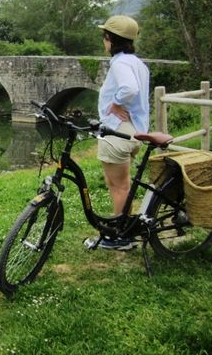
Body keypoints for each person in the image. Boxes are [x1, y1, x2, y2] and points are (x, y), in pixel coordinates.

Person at [95, 15, 150, 251]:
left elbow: (129, 89)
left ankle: (119, 235)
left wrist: (116, 103)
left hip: (118, 131)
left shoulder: (119, 63)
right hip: (134, 131)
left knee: (118, 186)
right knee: (121, 184)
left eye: (104, 37)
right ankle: (122, 224)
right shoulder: (137, 63)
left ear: (110, 39)